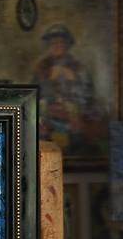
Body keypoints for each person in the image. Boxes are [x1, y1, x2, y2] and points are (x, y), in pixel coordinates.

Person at [31, 24, 103, 155]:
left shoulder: (78, 67)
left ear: (67, 45)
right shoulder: (41, 68)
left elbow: (88, 96)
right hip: (47, 117)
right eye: (53, 42)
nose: (57, 45)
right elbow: (33, 95)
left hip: (73, 118)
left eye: (61, 42)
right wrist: (48, 81)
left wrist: (73, 79)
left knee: (81, 142)